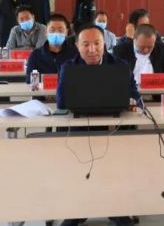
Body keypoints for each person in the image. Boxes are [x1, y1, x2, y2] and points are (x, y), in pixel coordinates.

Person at [56, 24, 141, 226]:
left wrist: (132, 101)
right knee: (79, 171)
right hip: (80, 129)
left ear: (105, 44)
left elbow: (135, 95)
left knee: (115, 170)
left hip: (114, 127)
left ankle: (117, 210)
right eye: (86, 44)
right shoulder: (68, 67)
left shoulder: (120, 65)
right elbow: (61, 102)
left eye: (97, 43)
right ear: (77, 46)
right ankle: (77, 211)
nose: (92, 49)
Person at [25, 13, 78, 82]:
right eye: (52, 30)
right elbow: (30, 80)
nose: (56, 33)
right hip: (43, 89)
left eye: (60, 30)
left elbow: (79, 78)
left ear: (66, 32)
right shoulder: (36, 55)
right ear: (46, 32)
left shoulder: (74, 54)